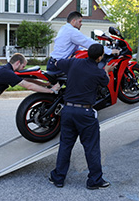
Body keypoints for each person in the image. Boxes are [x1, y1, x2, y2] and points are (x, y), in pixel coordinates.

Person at [49, 43, 116, 190]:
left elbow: (58, 62)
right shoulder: (97, 72)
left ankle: (58, 178)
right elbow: (106, 82)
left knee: (65, 146)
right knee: (91, 147)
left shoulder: (74, 62)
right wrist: (106, 70)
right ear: (100, 57)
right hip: (85, 114)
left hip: (68, 111)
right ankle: (94, 180)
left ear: (87, 54)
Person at [47, 11, 119, 73]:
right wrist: (109, 51)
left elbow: (79, 47)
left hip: (53, 62)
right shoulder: (72, 31)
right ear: (73, 21)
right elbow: (88, 42)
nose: (81, 24)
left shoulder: (64, 28)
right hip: (58, 65)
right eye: (80, 21)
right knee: (87, 73)